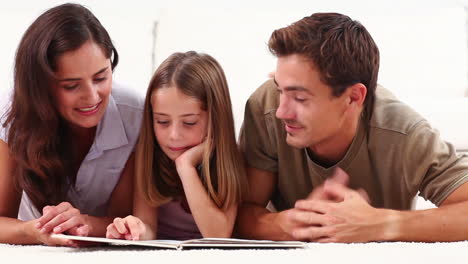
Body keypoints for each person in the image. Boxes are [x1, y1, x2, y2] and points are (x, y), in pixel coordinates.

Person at [236, 12, 468, 242]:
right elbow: (238, 212)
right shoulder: (264, 107)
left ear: (353, 97)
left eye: (300, 98)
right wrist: (290, 223)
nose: (281, 111)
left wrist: (380, 224)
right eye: (279, 89)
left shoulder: (404, 132)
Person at [0, 3, 143, 246]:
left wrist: (83, 223)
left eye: (101, 77)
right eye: (71, 85)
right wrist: (35, 231)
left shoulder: (135, 115)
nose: (92, 97)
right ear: (40, 87)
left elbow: (124, 220)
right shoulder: (11, 114)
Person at [105, 51, 246, 240]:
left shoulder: (232, 159)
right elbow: (148, 228)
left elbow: (217, 235)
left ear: (216, 119)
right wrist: (135, 230)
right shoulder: (147, 157)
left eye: (189, 123)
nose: (173, 136)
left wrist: (185, 166)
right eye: (162, 122)